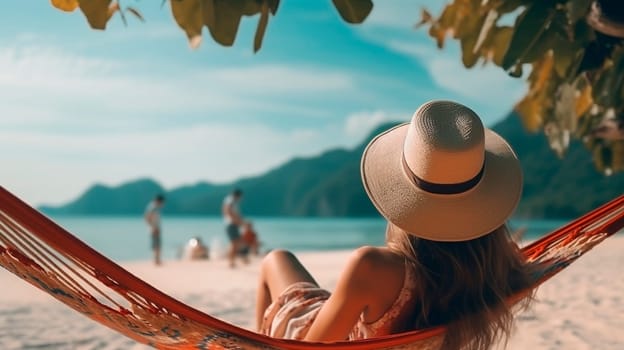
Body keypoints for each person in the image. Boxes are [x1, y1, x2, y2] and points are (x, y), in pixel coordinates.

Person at [255, 100, 536, 350]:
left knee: (274, 258)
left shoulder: (372, 266)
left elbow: (310, 348)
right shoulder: (495, 268)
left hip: (321, 334)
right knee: (279, 259)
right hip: (349, 318)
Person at [222, 188, 245, 268]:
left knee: (237, 242)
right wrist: (237, 221)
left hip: (232, 224)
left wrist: (240, 221)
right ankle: (231, 261)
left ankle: (235, 259)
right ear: (238, 195)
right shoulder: (231, 200)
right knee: (234, 243)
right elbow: (227, 211)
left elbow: (228, 211)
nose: (241, 198)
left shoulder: (231, 201)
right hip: (231, 224)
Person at [144, 194, 165, 266]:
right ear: (159, 201)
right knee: (156, 245)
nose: (163, 204)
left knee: (157, 244)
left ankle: (157, 260)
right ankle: (156, 261)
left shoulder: (154, 207)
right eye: (162, 202)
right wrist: (152, 227)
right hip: (154, 228)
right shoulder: (153, 207)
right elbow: (147, 217)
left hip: (155, 227)